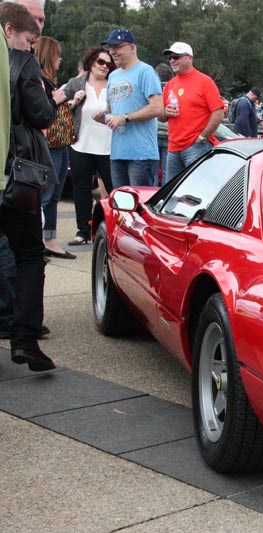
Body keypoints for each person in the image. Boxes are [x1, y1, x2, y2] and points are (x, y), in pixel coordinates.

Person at [0, 2, 55, 370]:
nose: (30, 45)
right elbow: (41, 115)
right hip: (16, 176)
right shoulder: (24, 64)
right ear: (10, 30)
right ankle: (25, 339)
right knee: (31, 255)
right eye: (28, 38)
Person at [95, 28, 162, 189]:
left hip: (141, 154)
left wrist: (124, 118)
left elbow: (158, 108)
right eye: (110, 48)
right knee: (121, 207)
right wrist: (102, 117)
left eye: (118, 47)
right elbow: (111, 111)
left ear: (132, 48)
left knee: (138, 207)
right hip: (117, 152)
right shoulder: (113, 76)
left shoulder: (145, 72)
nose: (113, 52)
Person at [62, 46, 114, 247]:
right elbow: (58, 107)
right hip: (81, 144)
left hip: (109, 146)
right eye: (101, 62)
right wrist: (74, 102)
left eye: (108, 64)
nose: (104, 66)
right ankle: (82, 231)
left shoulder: (114, 84)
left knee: (114, 189)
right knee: (81, 189)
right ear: (92, 62)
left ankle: (113, 230)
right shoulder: (77, 83)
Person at [33, 36, 74, 260]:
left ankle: (48, 238)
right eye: (58, 55)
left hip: (59, 143)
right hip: (49, 144)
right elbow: (40, 112)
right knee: (47, 194)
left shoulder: (48, 80)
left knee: (53, 194)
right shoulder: (38, 80)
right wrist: (57, 99)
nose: (61, 59)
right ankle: (41, 239)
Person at [160, 41, 223, 183]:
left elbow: (218, 113)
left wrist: (202, 137)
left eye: (176, 57)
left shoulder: (204, 81)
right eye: (170, 57)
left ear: (189, 58)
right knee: (172, 192)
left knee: (197, 190)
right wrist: (165, 112)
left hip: (196, 147)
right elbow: (161, 117)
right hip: (173, 147)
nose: (172, 60)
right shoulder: (170, 84)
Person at [154, 62, 172, 185]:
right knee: (167, 170)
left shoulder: (153, 87)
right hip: (169, 133)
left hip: (154, 133)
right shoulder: (172, 88)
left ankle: (152, 194)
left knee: (154, 170)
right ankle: (165, 196)